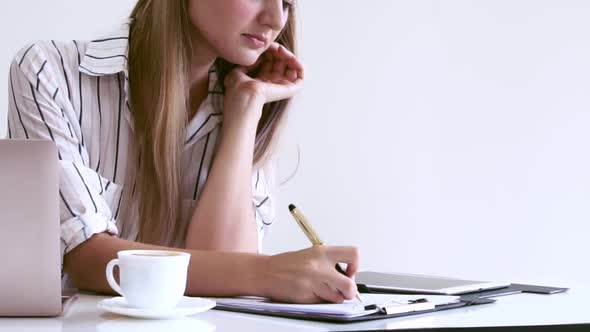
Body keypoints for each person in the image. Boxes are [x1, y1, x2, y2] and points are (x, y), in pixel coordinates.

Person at [6, 0, 359, 304]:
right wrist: (270, 271)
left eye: (287, 2)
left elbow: (228, 279)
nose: (276, 18)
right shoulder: (49, 72)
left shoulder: (250, 101)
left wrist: (246, 110)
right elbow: (86, 259)